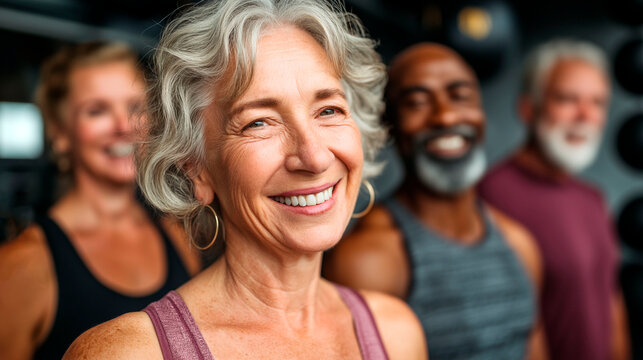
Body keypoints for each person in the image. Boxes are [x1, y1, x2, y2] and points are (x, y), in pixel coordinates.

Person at [63, 1, 427, 359]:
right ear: (196, 168)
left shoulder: (396, 333)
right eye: (259, 122)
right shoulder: (128, 353)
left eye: (329, 110)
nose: (315, 157)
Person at [324, 43, 548, 360]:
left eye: (460, 96)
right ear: (389, 127)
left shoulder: (520, 243)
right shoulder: (367, 260)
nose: (445, 116)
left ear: (481, 114)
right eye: (416, 102)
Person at [0, 42, 201, 360]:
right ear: (60, 132)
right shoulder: (24, 264)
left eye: (135, 107)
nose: (124, 126)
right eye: (97, 110)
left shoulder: (176, 237)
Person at [478, 39, 630, 360]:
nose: (585, 115)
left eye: (598, 103)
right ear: (528, 108)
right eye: (567, 99)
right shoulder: (489, 196)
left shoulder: (593, 199)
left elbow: (611, 302)